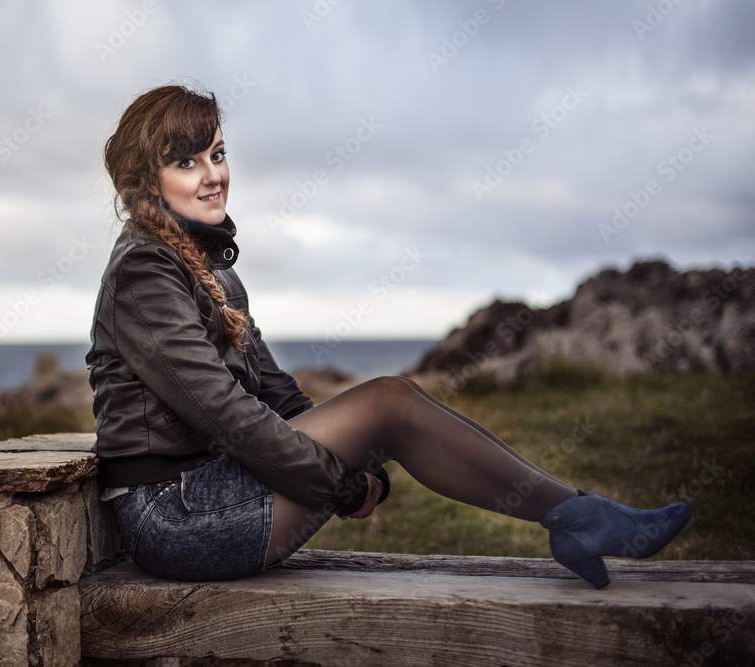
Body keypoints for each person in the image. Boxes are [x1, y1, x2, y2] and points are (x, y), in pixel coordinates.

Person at [85, 84, 692, 588]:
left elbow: (276, 392)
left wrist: (351, 454)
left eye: (217, 154)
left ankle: (576, 515)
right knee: (390, 403)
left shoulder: (207, 265)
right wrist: (340, 484)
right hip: (174, 516)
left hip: (215, 492)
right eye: (186, 162)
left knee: (390, 405)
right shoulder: (145, 270)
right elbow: (223, 413)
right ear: (146, 183)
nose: (213, 175)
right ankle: (579, 516)